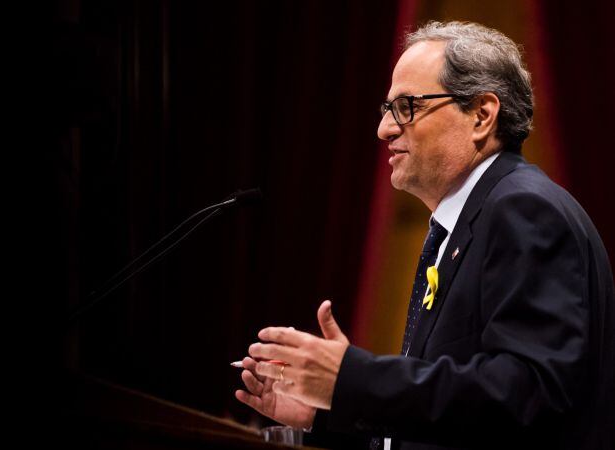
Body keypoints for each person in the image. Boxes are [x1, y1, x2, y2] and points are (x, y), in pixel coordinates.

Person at [235, 21, 614, 449]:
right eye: (387, 109)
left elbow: (529, 395)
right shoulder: (464, 224)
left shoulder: (522, 210)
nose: (385, 130)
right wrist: (332, 410)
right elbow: (454, 424)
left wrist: (356, 380)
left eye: (408, 107)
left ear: (481, 115)